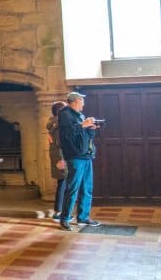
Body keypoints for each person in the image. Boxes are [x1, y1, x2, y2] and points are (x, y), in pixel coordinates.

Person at [57, 91, 101, 231]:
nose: (84, 103)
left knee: (87, 188)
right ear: (75, 101)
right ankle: (65, 218)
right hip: (75, 156)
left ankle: (83, 217)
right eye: (82, 100)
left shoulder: (80, 116)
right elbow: (67, 134)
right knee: (72, 188)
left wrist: (91, 128)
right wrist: (83, 125)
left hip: (86, 155)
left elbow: (86, 136)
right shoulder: (65, 114)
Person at [47, 101, 68, 221]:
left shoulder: (53, 123)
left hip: (57, 155)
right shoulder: (58, 124)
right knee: (63, 184)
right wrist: (62, 160)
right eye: (66, 109)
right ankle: (59, 212)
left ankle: (59, 211)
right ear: (61, 111)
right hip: (61, 156)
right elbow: (60, 143)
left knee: (62, 184)